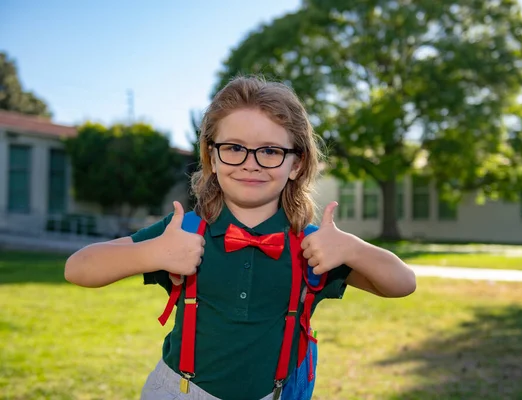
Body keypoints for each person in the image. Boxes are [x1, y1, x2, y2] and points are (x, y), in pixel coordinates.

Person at [64, 76, 416, 400]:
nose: (251, 163)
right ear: (212, 157)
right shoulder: (182, 232)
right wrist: (151, 254)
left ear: (296, 164)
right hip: (179, 391)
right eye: (233, 147)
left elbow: (402, 283)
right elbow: (78, 268)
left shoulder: (314, 247)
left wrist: (353, 248)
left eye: (270, 151)